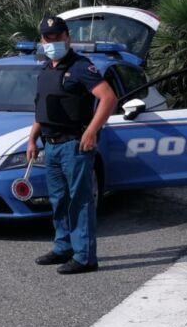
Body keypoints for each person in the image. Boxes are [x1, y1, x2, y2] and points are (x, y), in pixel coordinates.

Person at [26, 15, 118, 274]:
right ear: (42, 40)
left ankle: (85, 257)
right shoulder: (46, 70)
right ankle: (63, 247)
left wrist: (91, 131)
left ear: (67, 37)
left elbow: (108, 98)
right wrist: (32, 138)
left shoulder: (80, 67)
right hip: (51, 145)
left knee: (80, 201)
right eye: (47, 38)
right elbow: (42, 110)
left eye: (57, 37)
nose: (52, 41)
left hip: (74, 146)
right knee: (58, 200)